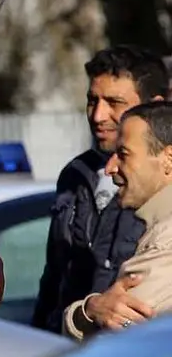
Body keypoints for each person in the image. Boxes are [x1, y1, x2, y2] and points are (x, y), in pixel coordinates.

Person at [31, 45, 167, 333]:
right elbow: (55, 275)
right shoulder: (74, 175)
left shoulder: (161, 191)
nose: (98, 115)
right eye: (92, 100)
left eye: (114, 102)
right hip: (68, 350)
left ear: (153, 106)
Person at [64, 102, 172, 339]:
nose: (111, 168)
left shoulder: (165, 243)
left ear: (168, 159)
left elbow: (115, 342)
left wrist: (86, 313)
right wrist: (91, 308)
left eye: (123, 155)